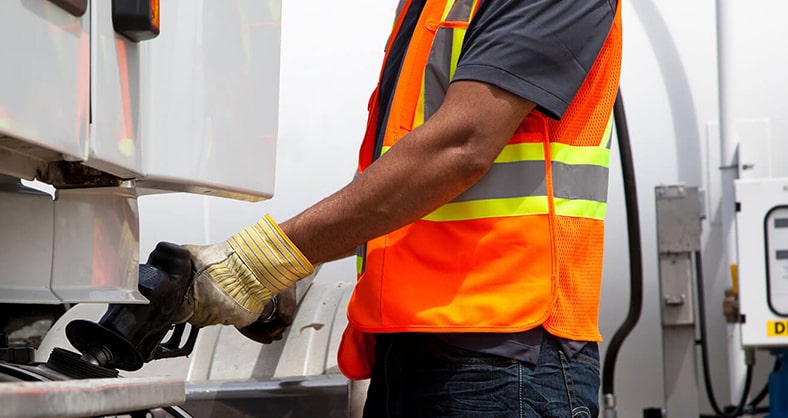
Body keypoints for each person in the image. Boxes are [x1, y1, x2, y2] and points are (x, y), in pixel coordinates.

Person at [174, 0, 622, 416]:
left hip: (506, 357)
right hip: (422, 354)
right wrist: (298, 260)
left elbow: (461, 147)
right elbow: (404, 167)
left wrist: (267, 260)